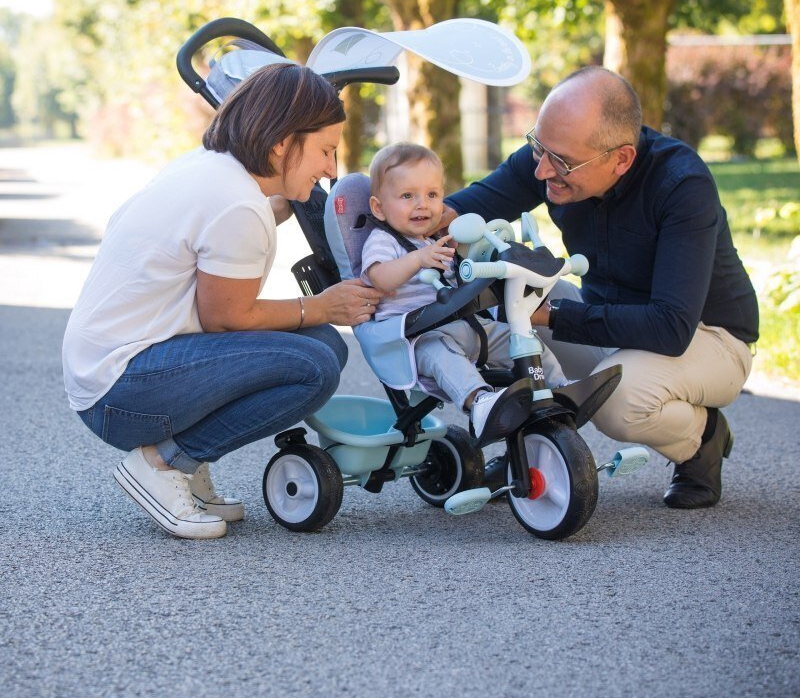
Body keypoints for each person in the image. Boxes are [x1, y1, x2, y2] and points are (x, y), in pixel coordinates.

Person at [62, 63, 384, 539]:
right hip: (120, 391)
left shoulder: (213, 170)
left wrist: (288, 206)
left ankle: (183, 460)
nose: (332, 169)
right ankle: (164, 463)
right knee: (314, 365)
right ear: (281, 143)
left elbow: (226, 234)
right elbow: (228, 318)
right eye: (325, 150)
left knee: (325, 348)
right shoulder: (236, 203)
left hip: (114, 369)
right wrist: (324, 306)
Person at [441, 66, 759, 509]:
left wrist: (550, 317)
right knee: (503, 304)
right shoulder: (553, 153)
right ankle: (529, 450)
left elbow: (670, 327)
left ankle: (701, 439)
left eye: (563, 162)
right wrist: (401, 224)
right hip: (612, 328)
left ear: (621, 159)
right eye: (538, 147)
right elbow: (461, 209)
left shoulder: (682, 185)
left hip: (709, 339)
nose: (542, 170)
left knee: (617, 399)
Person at [359, 142, 566, 438]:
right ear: (379, 208)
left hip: (467, 326)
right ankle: (479, 402)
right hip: (418, 339)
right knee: (444, 357)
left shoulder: (434, 241)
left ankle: (560, 388)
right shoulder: (383, 241)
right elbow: (379, 278)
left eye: (432, 195)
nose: (422, 204)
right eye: (407, 196)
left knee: (518, 338)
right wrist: (416, 259)